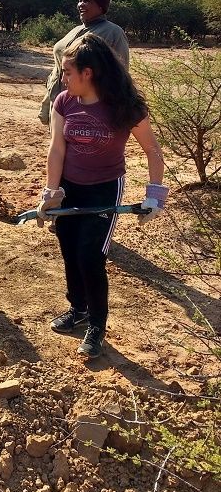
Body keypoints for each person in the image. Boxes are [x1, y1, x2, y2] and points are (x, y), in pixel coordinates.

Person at [37, 32, 167, 359]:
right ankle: (77, 308)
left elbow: (152, 150)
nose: (62, 78)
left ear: (87, 73)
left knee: (90, 257)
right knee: (69, 249)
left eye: (67, 72)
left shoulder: (124, 106)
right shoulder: (64, 101)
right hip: (70, 186)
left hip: (105, 188)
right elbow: (56, 148)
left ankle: (96, 325)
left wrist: (155, 196)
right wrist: (52, 192)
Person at [38, 0, 129, 126]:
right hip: (59, 100)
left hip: (86, 105)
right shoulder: (75, 30)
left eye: (87, 1)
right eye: (80, 0)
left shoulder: (113, 33)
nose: (81, 4)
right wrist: (47, 100)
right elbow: (59, 69)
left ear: (101, 5)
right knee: (58, 145)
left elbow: (121, 73)